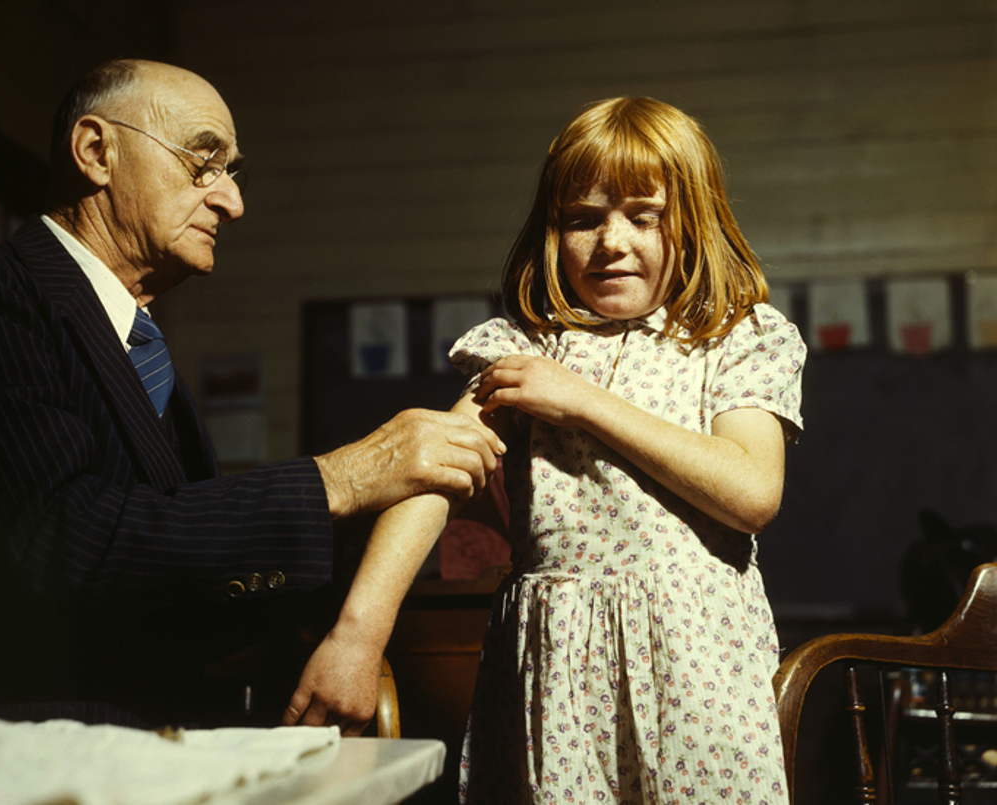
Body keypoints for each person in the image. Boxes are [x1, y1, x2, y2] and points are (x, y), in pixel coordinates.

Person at [0, 59, 502, 729]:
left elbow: (178, 572)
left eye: (232, 174)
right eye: (204, 164)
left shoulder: (142, 349)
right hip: (13, 757)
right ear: (95, 151)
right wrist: (344, 478)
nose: (233, 201)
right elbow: (60, 539)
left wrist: (363, 596)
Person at [285, 97, 805, 802]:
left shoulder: (735, 337)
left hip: (695, 666)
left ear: (696, 221)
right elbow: (431, 483)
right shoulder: (526, 349)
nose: (611, 241)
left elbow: (750, 492)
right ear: (552, 230)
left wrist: (584, 401)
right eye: (582, 218)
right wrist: (356, 637)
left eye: (643, 215)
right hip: (554, 669)